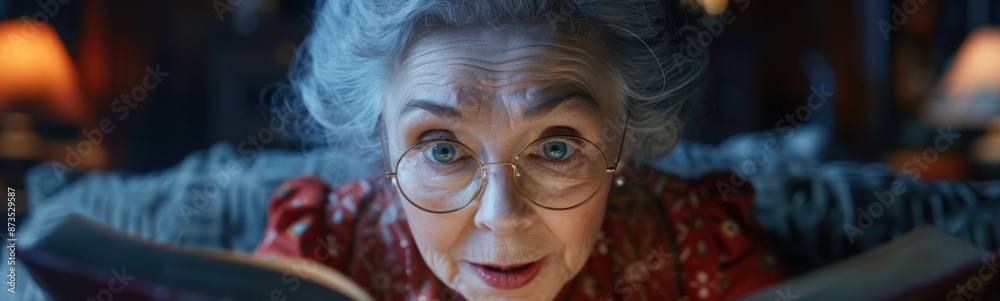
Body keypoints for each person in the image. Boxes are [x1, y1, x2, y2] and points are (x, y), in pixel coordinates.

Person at [254, 0, 787, 299]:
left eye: (556, 148)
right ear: (381, 144)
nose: (502, 218)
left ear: (623, 141)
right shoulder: (315, 259)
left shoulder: (705, 250)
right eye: (442, 150)